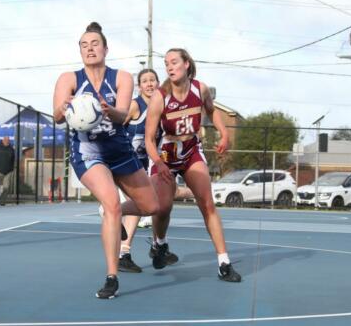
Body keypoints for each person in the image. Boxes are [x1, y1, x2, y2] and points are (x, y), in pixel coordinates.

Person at [53, 22, 161, 299]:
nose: (89, 49)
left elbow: (123, 114)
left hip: (119, 151)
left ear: (105, 48)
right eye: (84, 45)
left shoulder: (122, 77)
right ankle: (112, 276)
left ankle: (118, 213)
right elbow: (55, 114)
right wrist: (65, 106)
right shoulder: (69, 78)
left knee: (151, 206)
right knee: (110, 203)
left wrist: (107, 109)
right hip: (88, 152)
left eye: (94, 44)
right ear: (80, 50)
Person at [124, 48, 241, 282]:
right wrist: (158, 162)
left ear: (186, 64)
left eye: (174, 62)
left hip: (191, 153)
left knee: (207, 203)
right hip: (164, 156)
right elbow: (148, 140)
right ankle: (159, 244)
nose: (169, 67)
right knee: (162, 206)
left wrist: (224, 133)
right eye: (166, 63)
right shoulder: (160, 96)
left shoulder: (200, 89)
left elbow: (211, 110)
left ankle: (224, 263)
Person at [117, 68, 179, 273]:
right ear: (139, 86)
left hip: (147, 165)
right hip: (129, 164)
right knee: (142, 205)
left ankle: (157, 245)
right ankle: (124, 252)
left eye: (153, 80)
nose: (150, 84)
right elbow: (117, 126)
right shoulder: (136, 105)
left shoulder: (161, 104)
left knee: (157, 205)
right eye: (145, 81)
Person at [0, 136, 15, 205]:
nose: (7, 141)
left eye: (8, 140)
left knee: (6, 188)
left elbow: (13, 160)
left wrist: (12, 169)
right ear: (3, 140)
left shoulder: (11, 149)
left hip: (8, 172)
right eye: (6, 140)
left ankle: (2, 202)